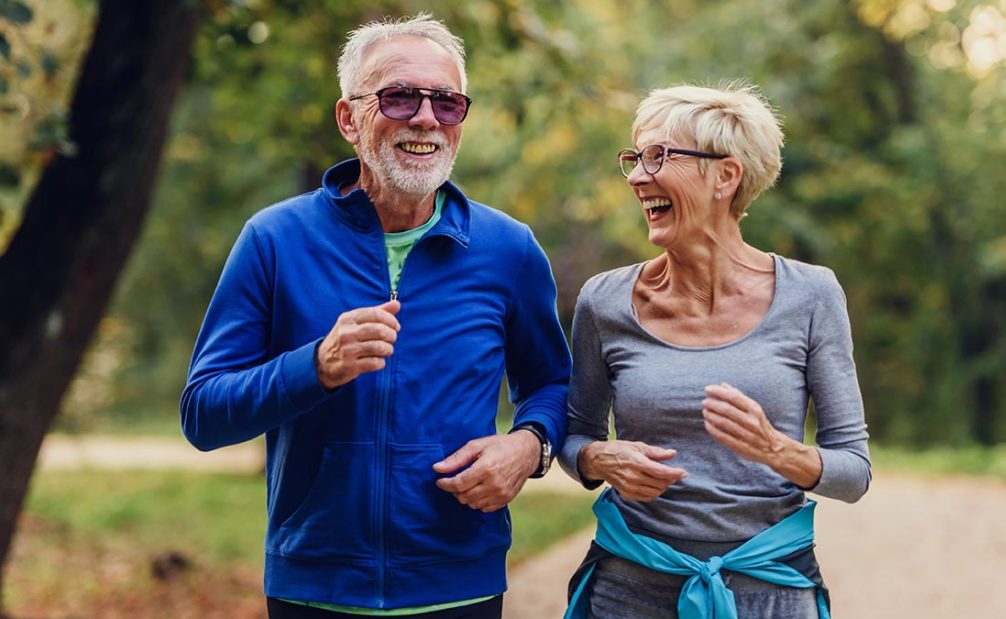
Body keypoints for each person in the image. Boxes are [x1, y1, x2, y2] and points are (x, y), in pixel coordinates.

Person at [180, 13, 571, 619]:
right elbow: (203, 414)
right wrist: (315, 366)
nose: (424, 117)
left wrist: (529, 445)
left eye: (446, 103)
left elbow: (551, 383)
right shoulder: (275, 239)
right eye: (399, 97)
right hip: (313, 589)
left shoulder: (509, 249)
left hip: (460, 586)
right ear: (349, 120)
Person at [558, 83, 871, 619]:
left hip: (771, 592)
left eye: (658, 157)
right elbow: (572, 434)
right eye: (634, 159)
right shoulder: (603, 301)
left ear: (726, 176)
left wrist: (778, 451)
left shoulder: (811, 294)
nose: (637, 176)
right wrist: (598, 458)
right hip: (628, 591)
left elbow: (854, 471)